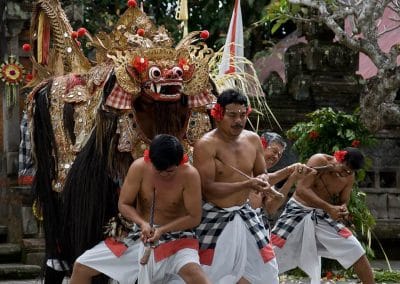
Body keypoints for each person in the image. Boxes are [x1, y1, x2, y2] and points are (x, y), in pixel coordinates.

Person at [70, 134, 211, 284]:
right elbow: (123, 204)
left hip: (178, 237)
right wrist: (142, 223)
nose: (164, 175)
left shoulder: (190, 175)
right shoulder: (139, 167)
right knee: (81, 266)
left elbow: (194, 217)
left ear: (180, 162)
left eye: (169, 171)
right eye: (159, 171)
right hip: (139, 234)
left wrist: (162, 230)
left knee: (197, 277)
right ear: (150, 160)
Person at [193, 89, 279, 284]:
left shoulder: (252, 139)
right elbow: (207, 188)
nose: (238, 121)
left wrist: (263, 180)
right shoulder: (206, 145)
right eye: (232, 115)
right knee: (209, 274)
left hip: (246, 214)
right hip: (215, 216)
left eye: (242, 115)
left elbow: (261, 172)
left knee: (267, 272)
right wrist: (247, 184)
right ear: (218, 114)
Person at [271, 147, 375, 284]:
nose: (346, 174)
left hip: (323, 216)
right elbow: (302, 189)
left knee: (355, 249)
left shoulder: (349, 176)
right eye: (344, 169)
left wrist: (342, 208)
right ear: (339, 157)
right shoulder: (319, 160)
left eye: (350, 172)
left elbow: (344, 200)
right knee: (271, 253)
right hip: (297, 210)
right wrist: (329, 208)